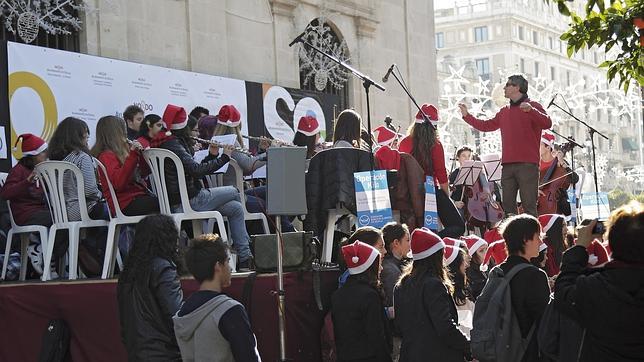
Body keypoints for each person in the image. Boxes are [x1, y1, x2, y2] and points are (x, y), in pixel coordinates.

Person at [158, 104, 254, 270]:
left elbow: (193, 171)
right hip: (191, 200)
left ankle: (245, 258)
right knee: (235, 191)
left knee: (236, 208)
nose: (193, 133)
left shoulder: (168, 143)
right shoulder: (175, 146)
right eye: (191, 129)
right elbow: (196, 172)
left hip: (183, 200)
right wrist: (225, 157)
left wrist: (212, 155)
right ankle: (233, 251)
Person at [555, 201, 644, 361]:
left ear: (612, 242)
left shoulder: (593, 288)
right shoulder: (593, 285)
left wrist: (580, 246)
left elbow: (562, 292)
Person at [459, 74, 552, 217]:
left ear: (517, 87)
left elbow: (547, 123)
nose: (504, 87)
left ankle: (532, 238)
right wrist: (467, 116)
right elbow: (485, 126)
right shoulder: (504, 111)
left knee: (529, 207)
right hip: (507, 165)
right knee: (508, 208)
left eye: (508, 84)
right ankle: (511, 238)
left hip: (528, 165)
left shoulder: (533, 105)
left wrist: (531, 111)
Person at [173, 234, 261, 362]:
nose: (230, 267)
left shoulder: (182, 313)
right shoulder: (230, 311)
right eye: (227, 261)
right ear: (218, 266)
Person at [394, 228, 471, 361]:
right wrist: (469, 348)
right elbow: (445, 327)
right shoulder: (433, 285)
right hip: (437, 355)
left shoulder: (401, 285)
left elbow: (399, 326)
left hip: (410, 355)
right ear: (436, 257)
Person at [117, 214, 183, 361]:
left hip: (136, 351)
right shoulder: (163, 268)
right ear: (167, 237)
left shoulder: (128, 272)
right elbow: (177, 315)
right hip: (164, 352)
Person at [48, 117, 109, 272]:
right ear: (77, 136)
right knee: (112, 213)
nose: (88, 138)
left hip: (60, 213)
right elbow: (90, 191)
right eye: (85, 135)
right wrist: (101, 195)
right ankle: (105, 263)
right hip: (81, 210)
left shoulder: (52, 160)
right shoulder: (82, 157)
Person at [398, 103, 465, 238]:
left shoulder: (404, 142)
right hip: (430, 192)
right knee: (458, 226)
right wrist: (447, 196)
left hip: (408, 193)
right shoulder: (436, 144)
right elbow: (441, 174)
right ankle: (436, 239)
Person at [0, 133, 57, 276]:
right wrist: (26, 182)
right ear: (33, 155)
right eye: (43, 153)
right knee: (57, 219)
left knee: (65, 218)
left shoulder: (41, 170)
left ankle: (43, 253)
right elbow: (5, 193)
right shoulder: (18, 170)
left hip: (39, 213)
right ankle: (41, 253)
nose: (46, 155)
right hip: (24, 215)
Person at [497, 214, 550, 362]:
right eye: (537, 236)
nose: (540, 241)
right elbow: (545, 323)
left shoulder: (496, 272)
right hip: (528, 352)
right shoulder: (535, 275)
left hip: (502, 350)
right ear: (525, 239)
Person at [332, 240, 392, 362]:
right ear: (369, 267)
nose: (380, 268)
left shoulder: (337, 295)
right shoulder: (369, 296)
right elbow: (376, 335)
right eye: (378, 264)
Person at [92, 116, 159, 217]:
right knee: (167, 203)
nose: (126, 134)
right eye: (123, 131)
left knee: (168, 201)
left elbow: (142, 174)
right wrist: (132, 155)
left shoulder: (120, 153)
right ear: (115, 133)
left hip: (135, 198)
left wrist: (142, 156)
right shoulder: (106, 155)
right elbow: (119, 183)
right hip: (124, 204)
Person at [380, 222, 410, 361]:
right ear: (396, 243)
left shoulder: (393, 266)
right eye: (407, 240)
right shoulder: (391, 271)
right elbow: (396, 307)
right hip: (395, 338)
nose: (409, 245)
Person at [538, 131, 579, 216]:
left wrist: (561, 161)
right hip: (537, 201)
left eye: (540, 144)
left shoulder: (559, 163)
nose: (537, 147)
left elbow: (574, 179)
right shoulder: (535, 164)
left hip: (554, 203)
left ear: (548, 147)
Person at [444, 244, 474, 338]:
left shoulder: (462, 292)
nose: (466, 265)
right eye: (462, 261)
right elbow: (467, 327)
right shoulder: (451, 297)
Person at [462, 235, 489, 301]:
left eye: (487, 249)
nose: (487, 253)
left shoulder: (490, 268)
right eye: (481, 251)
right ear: (472, 256)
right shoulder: (469, 276)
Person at [449, 145, 473, 216]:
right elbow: (448, 195)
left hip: (473, 204)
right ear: (458, 158)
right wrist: (455, 203)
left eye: (469, 156)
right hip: (461, 206)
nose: (467, 158)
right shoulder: (454, 174)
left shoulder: (474, 171)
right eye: (464, 156)